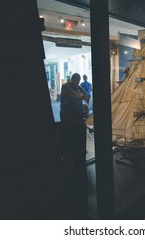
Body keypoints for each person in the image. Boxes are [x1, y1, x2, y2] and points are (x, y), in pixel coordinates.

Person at [58, 73, 89, 219]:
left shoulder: (79, 87)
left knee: (79, 148)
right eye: (75, 80)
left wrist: (84, 99)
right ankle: (71, 174)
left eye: (77, 80)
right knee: (70, 147)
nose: (76, 82)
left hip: (78, 121)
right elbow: (74, 95)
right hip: (69, 121)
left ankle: (79, 167)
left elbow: (86, 97)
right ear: (72, 80)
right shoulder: (66, 87)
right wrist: (82, 95)